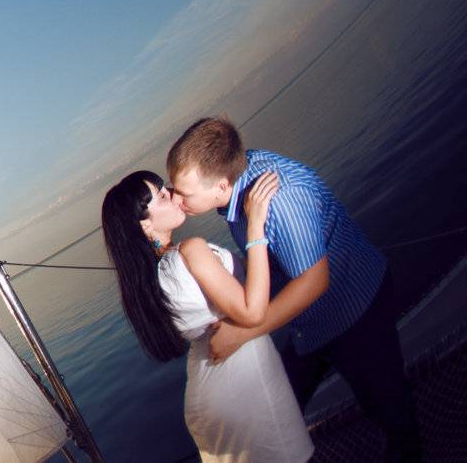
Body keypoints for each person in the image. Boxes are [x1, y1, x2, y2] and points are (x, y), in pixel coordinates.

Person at [166, 117, 422, 462]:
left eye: (184, 192)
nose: (175, 198)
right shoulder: (237, 177)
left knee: (393, 418)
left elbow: (315, 280)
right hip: (308, 325)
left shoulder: (280, 198)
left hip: (354, 312)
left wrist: (241, 333)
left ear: (222, 185)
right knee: (276, 407)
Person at [102, 168, 312, 462]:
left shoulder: (152, 282)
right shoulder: (191, 251)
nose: (173, 195)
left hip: (208, 392)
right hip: (244, 385)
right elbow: (252, 312)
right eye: (161, 196)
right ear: (145, 227)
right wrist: (255, 225)